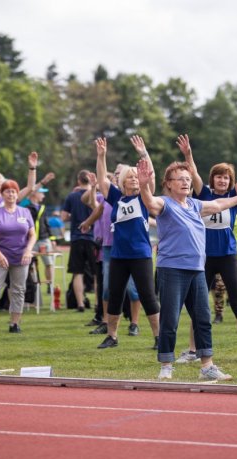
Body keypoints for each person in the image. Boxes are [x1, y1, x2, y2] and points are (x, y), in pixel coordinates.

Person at [138, 154, 237, 381]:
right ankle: (166, 365)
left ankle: (207, 365)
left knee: (202, 318)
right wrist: (143, 185)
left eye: (188, 178)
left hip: (197, 269)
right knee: (170, 319)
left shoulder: (195, 205)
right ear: (169, 183)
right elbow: (149, 202)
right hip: (172, 270)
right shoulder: (165, 203)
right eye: (180, 179)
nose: (186, 182)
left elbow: (219, 204)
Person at [176, 135, 237, 365]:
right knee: (198, 304)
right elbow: (192, 172)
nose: (222, 181)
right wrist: (188, 154)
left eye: (226, 178)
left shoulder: (234, 197)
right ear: (213, 179)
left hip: (227, 256)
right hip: (203, 258)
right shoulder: (204, 195)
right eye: (219, 177)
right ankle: (193, 351)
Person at [93, 136, 160, 349]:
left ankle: (159, 337)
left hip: (140, 255)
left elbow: (151, 177)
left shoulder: (144, 197)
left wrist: (143, 153)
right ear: (121, 181)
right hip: (119, 256)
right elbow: (102, 179)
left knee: (147, 296)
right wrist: (101, 156)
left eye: (135, 177)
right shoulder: (117, 198)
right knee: (114, 295)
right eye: (129, 177)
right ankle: (112, 336)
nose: (132, 180)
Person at [0, 179, 36, 334]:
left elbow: (32, 235)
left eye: (13, 191)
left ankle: (14, 323)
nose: (11, 194)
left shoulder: (25, 212)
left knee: (18, 290)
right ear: (2, 194)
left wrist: (28, 250)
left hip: (21, 257)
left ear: (17, 194)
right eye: (7, 191)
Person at [62, 169, 102, 312]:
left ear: (79, 181)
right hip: (94, 237)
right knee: (97, 273)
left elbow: (63, 217)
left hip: (77, 237)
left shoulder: (72, 196)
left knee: (77, 272)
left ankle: (80, 304)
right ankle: (98, 303)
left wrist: (74, 215)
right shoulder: (97, 196)